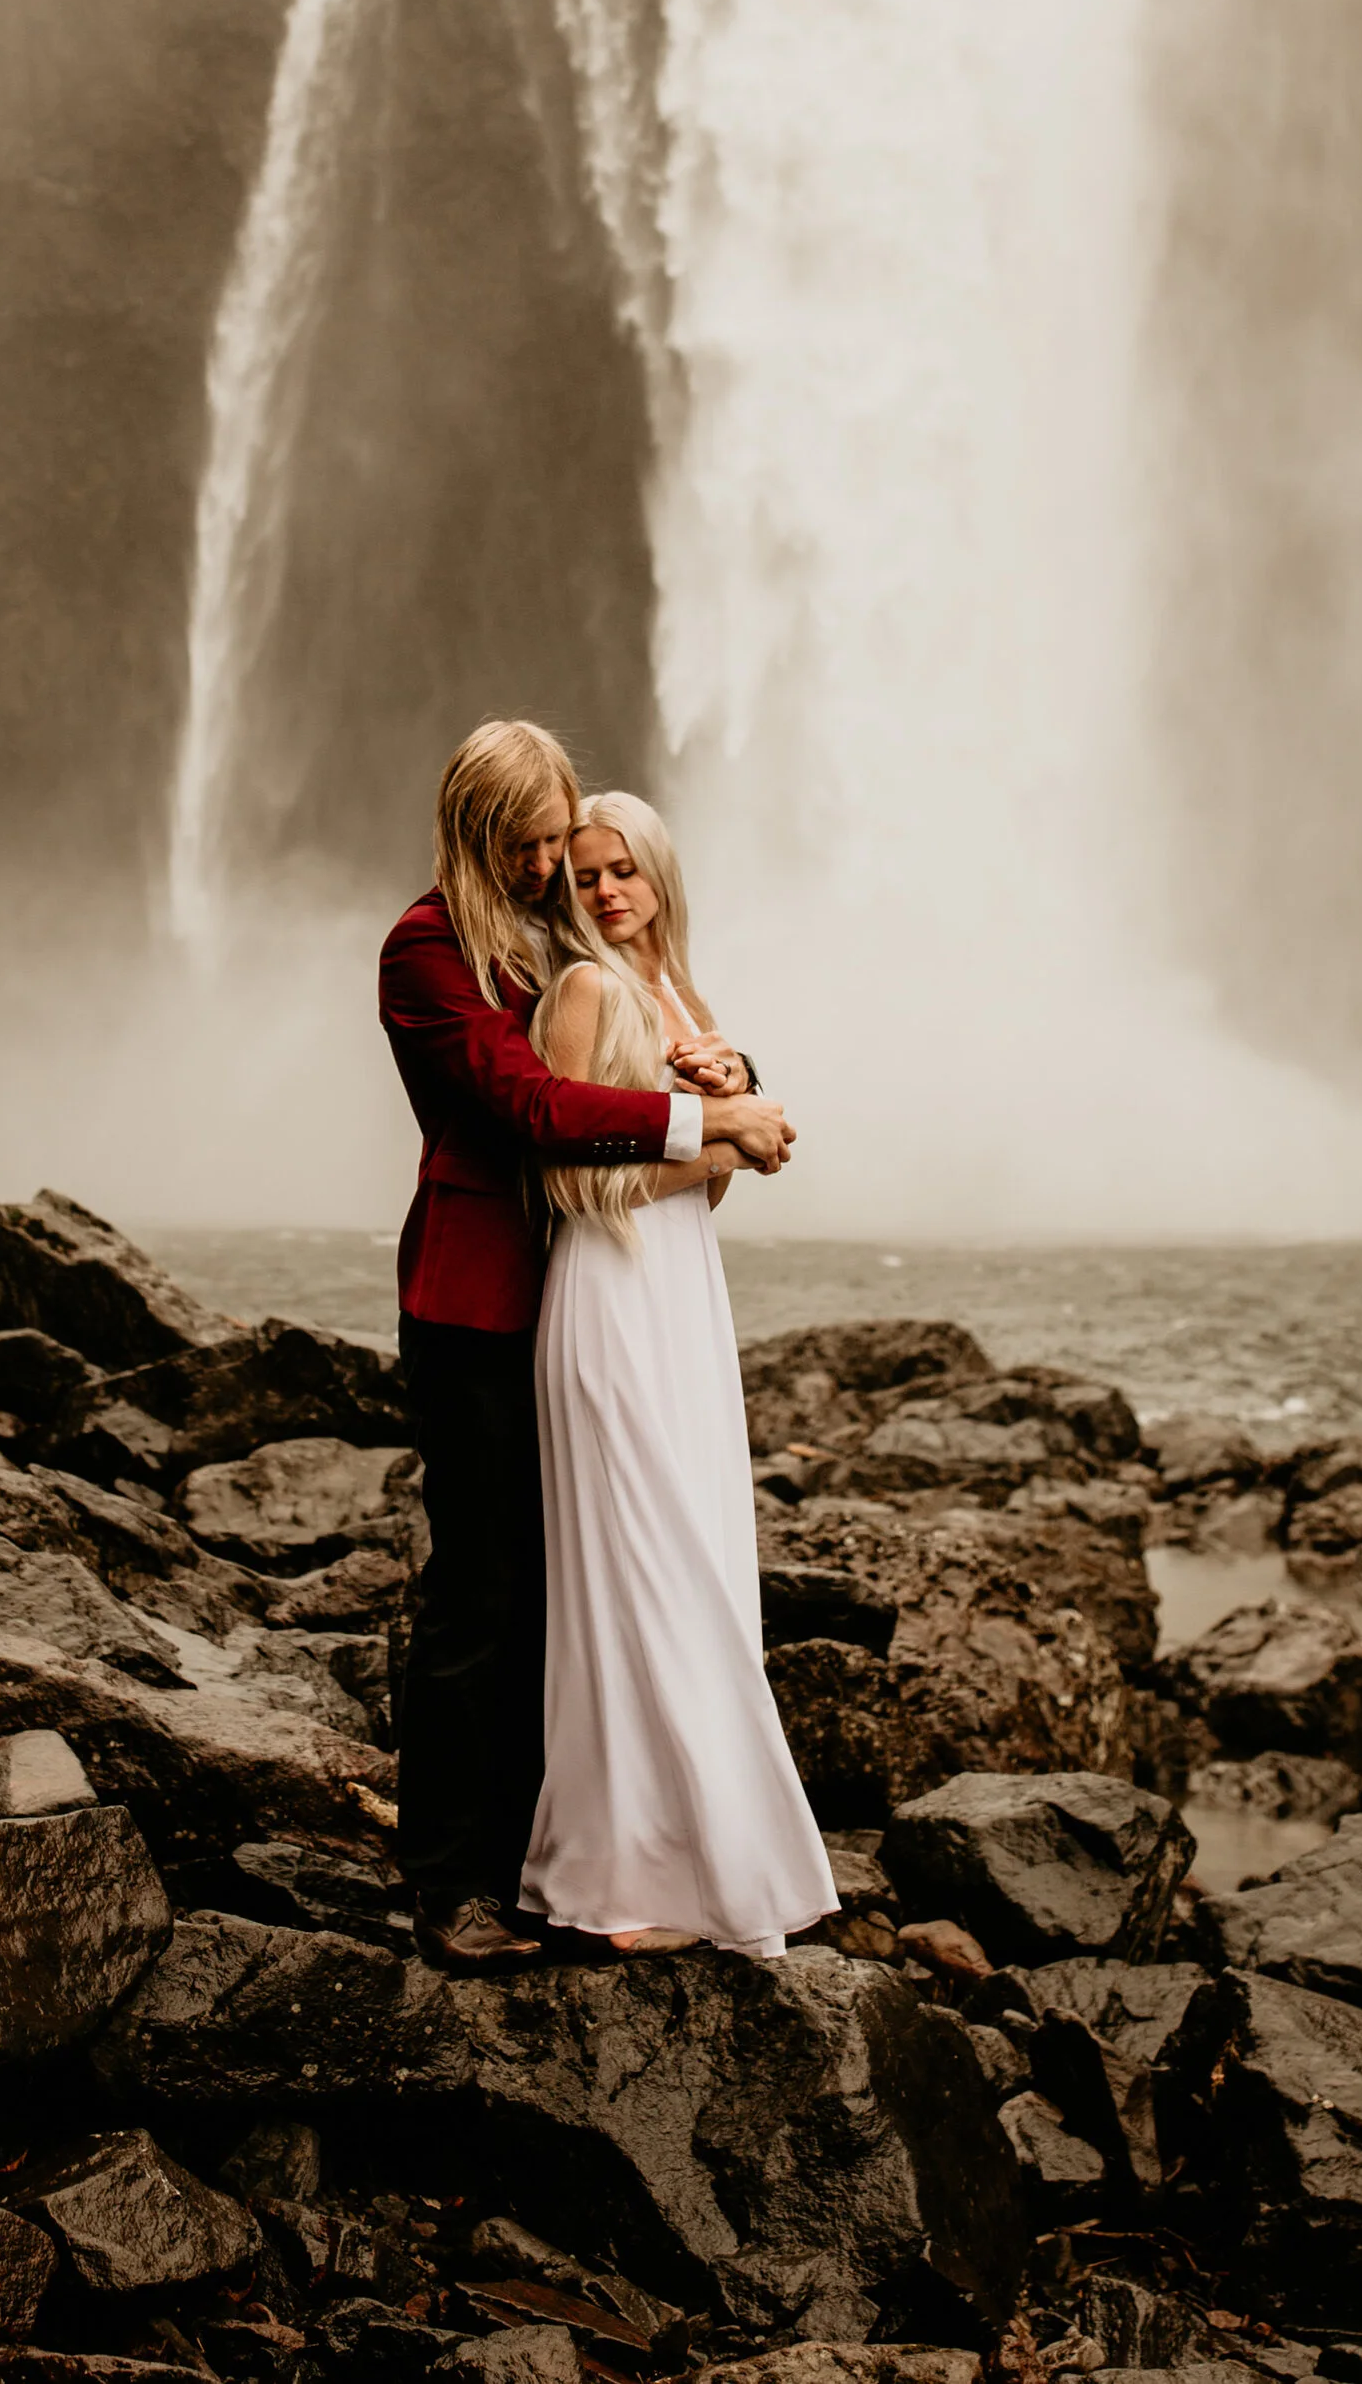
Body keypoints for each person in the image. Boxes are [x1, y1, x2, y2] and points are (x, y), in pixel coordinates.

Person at [380, 718, 794, 1971]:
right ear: (478, 834)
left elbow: (630, 1018)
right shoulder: (428, 949)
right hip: (473, 1303)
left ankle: (551, 1852)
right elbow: (534, 1106)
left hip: (577, 1292)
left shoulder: (552, 932)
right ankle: (450, 1885)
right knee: (482, 1592)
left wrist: (726, 1072)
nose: (558, 865)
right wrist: (713, 1117)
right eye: (534, 844)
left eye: (565, 841)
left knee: (571, 1584)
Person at [518, 790, 837, 1957]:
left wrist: (729, 1124)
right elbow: (565, 1179)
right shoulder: (587, 992)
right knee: (642, 1579)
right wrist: (726, 1128)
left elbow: (706, 1190)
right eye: (585, 875)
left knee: (700, 1559)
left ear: (660, 875)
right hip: (607, 1302)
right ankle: (617, 1879)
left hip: (682, 1305)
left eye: (624, 871)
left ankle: (694, 1869)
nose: (604, 891)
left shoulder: (684, 1001)